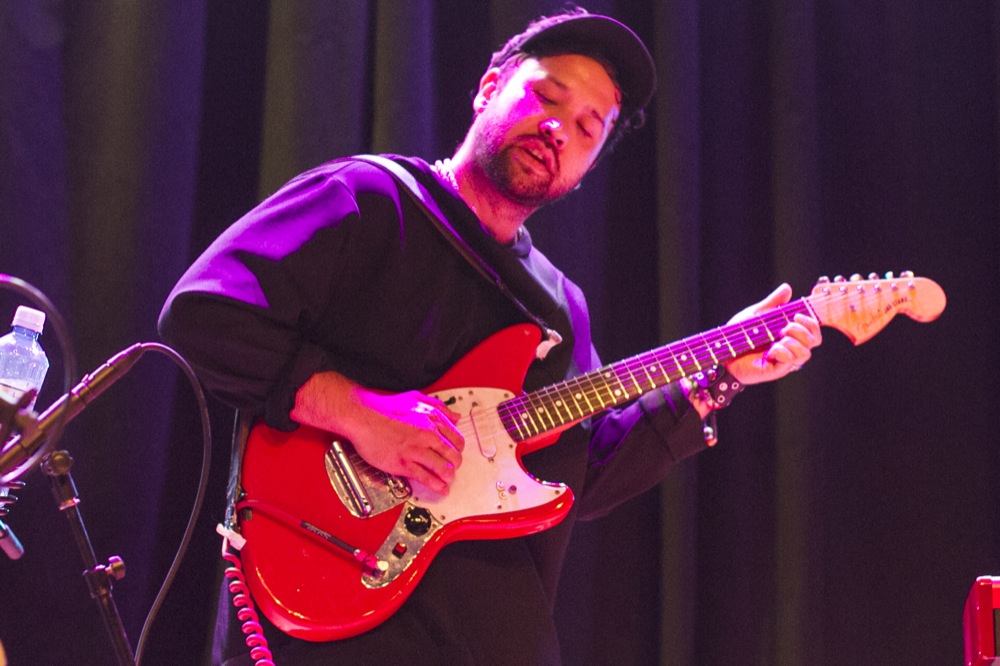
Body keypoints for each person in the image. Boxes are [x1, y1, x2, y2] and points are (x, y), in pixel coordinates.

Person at [159, 8, 821, 665]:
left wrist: (720, 376)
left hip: (489, 640)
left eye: (590, 128)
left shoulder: (560, 310)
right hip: (327, 609)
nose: (560, 128)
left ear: (588, 166)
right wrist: (359, 413)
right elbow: (205, 316)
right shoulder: (369, 198)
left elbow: (581, 471)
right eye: (546, 95)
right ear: (488, 88)